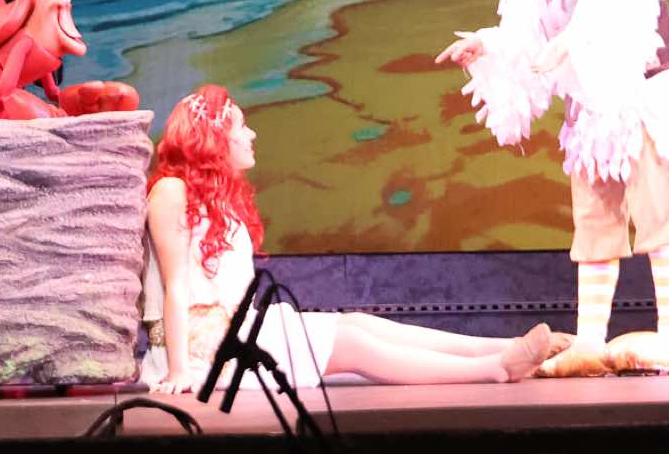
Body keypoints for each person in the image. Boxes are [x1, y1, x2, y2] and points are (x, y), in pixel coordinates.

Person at [435, 0, 669, 376]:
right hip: (590, 106)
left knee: (661, 214)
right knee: (595, 223)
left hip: (640, 96)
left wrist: (574, 39)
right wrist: (488, 44)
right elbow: (528, 29)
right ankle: (589, 341)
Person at [141, 86, 563, 394]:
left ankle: (505, 347)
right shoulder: (171, 191)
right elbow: (176, 285)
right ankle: (495, 369)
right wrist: (179, 370)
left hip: (236, 330)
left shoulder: (221, 201)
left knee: (360, 324)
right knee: (354, 345)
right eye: (240, 126)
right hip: (204, 350)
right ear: (213, 138)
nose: (251, 135)